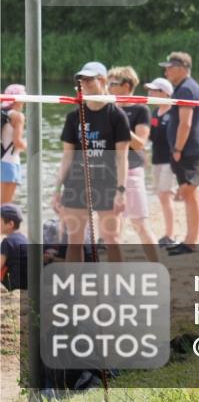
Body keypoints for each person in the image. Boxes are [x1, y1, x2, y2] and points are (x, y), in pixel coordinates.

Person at [54, 62, 129, 263]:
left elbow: (122, 158)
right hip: (77, 183)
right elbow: (67, 157)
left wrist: (121, 191)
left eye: (89, 79)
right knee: (74, 240)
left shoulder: (116, 115)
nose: (84, 83)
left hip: (107, 183)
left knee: (111, 239)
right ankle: (73, 288)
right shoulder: (74, 117)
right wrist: (56, 189)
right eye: (81, 80)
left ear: (102, 80)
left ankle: (117, 288)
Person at [107, 66, 158, 262]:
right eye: (108, 83)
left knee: (140, 224)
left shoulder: (140, 109)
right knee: (112, 230)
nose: (109, 88)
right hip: (109, 171)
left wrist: (120, 124)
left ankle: (157, 266)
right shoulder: (108, 106)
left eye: (113, 84)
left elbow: (140, 144)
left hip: (132, 171)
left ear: (126, 86)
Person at [160, 51, 199, 255]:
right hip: (189, 149)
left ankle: (191, 241)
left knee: (189, 193)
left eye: (170, 67)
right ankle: (190, 239)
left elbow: (185, 123)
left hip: (187, 150)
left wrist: (178, 148)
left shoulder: (186, 89)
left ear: (181, 68)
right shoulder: (186, 88)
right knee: (189, 194)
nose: (166, 70)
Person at [144, 77, 176, 247]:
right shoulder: (155, 113)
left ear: (165, 93)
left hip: (170, 161)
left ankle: (170, 235)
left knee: (166, 195)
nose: (150, 94)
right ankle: (167, 233)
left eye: (154, 91)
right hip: (156, 159)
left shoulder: (174, 112)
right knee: (161, 195)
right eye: (150, 90)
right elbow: (150, 137)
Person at [1, 85, 26, 204]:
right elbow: (18, 142)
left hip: (2, 159)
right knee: (5, 205)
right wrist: (27, 145)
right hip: (10, 162)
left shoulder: (2, 113)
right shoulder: (18, 116)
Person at [1, 203, 27, 291]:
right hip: (27, 284)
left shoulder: (7, 242)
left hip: (15, 286)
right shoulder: (24, 239)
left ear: (10, 224)